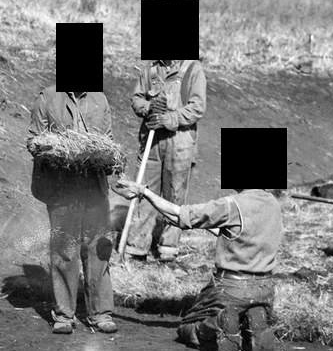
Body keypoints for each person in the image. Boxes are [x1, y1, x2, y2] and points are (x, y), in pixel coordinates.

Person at [116, 180, 283, 351]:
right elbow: (237, 232)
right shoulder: (273, 204)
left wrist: (144, 192)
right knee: (243, 320)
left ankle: (219, 322)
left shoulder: (231, 204)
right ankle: (254, 317)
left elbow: (180, 213)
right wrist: (199, 223)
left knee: (187, 328)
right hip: (265, 288)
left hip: (232, 288)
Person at [28, 88, 117, 334]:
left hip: (94, 186)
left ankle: (100, 313)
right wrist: (58, 149)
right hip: (62, 186)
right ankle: (64, 314)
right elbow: (33, 140)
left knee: (99, 249)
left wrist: (106, 156)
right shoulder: (47, 97)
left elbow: (108, 140)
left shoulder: (100, 99)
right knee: (64, 250)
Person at [125, 59, 207, 262]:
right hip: (151, 139)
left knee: (174, 194)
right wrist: (149, 106)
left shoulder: (192, 69)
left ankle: (168, 249)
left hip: (179, 141)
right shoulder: (151, 69)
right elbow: (136, 98)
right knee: (143, 191)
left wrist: (168, 119)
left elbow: (197, 107)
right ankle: (136, 248)